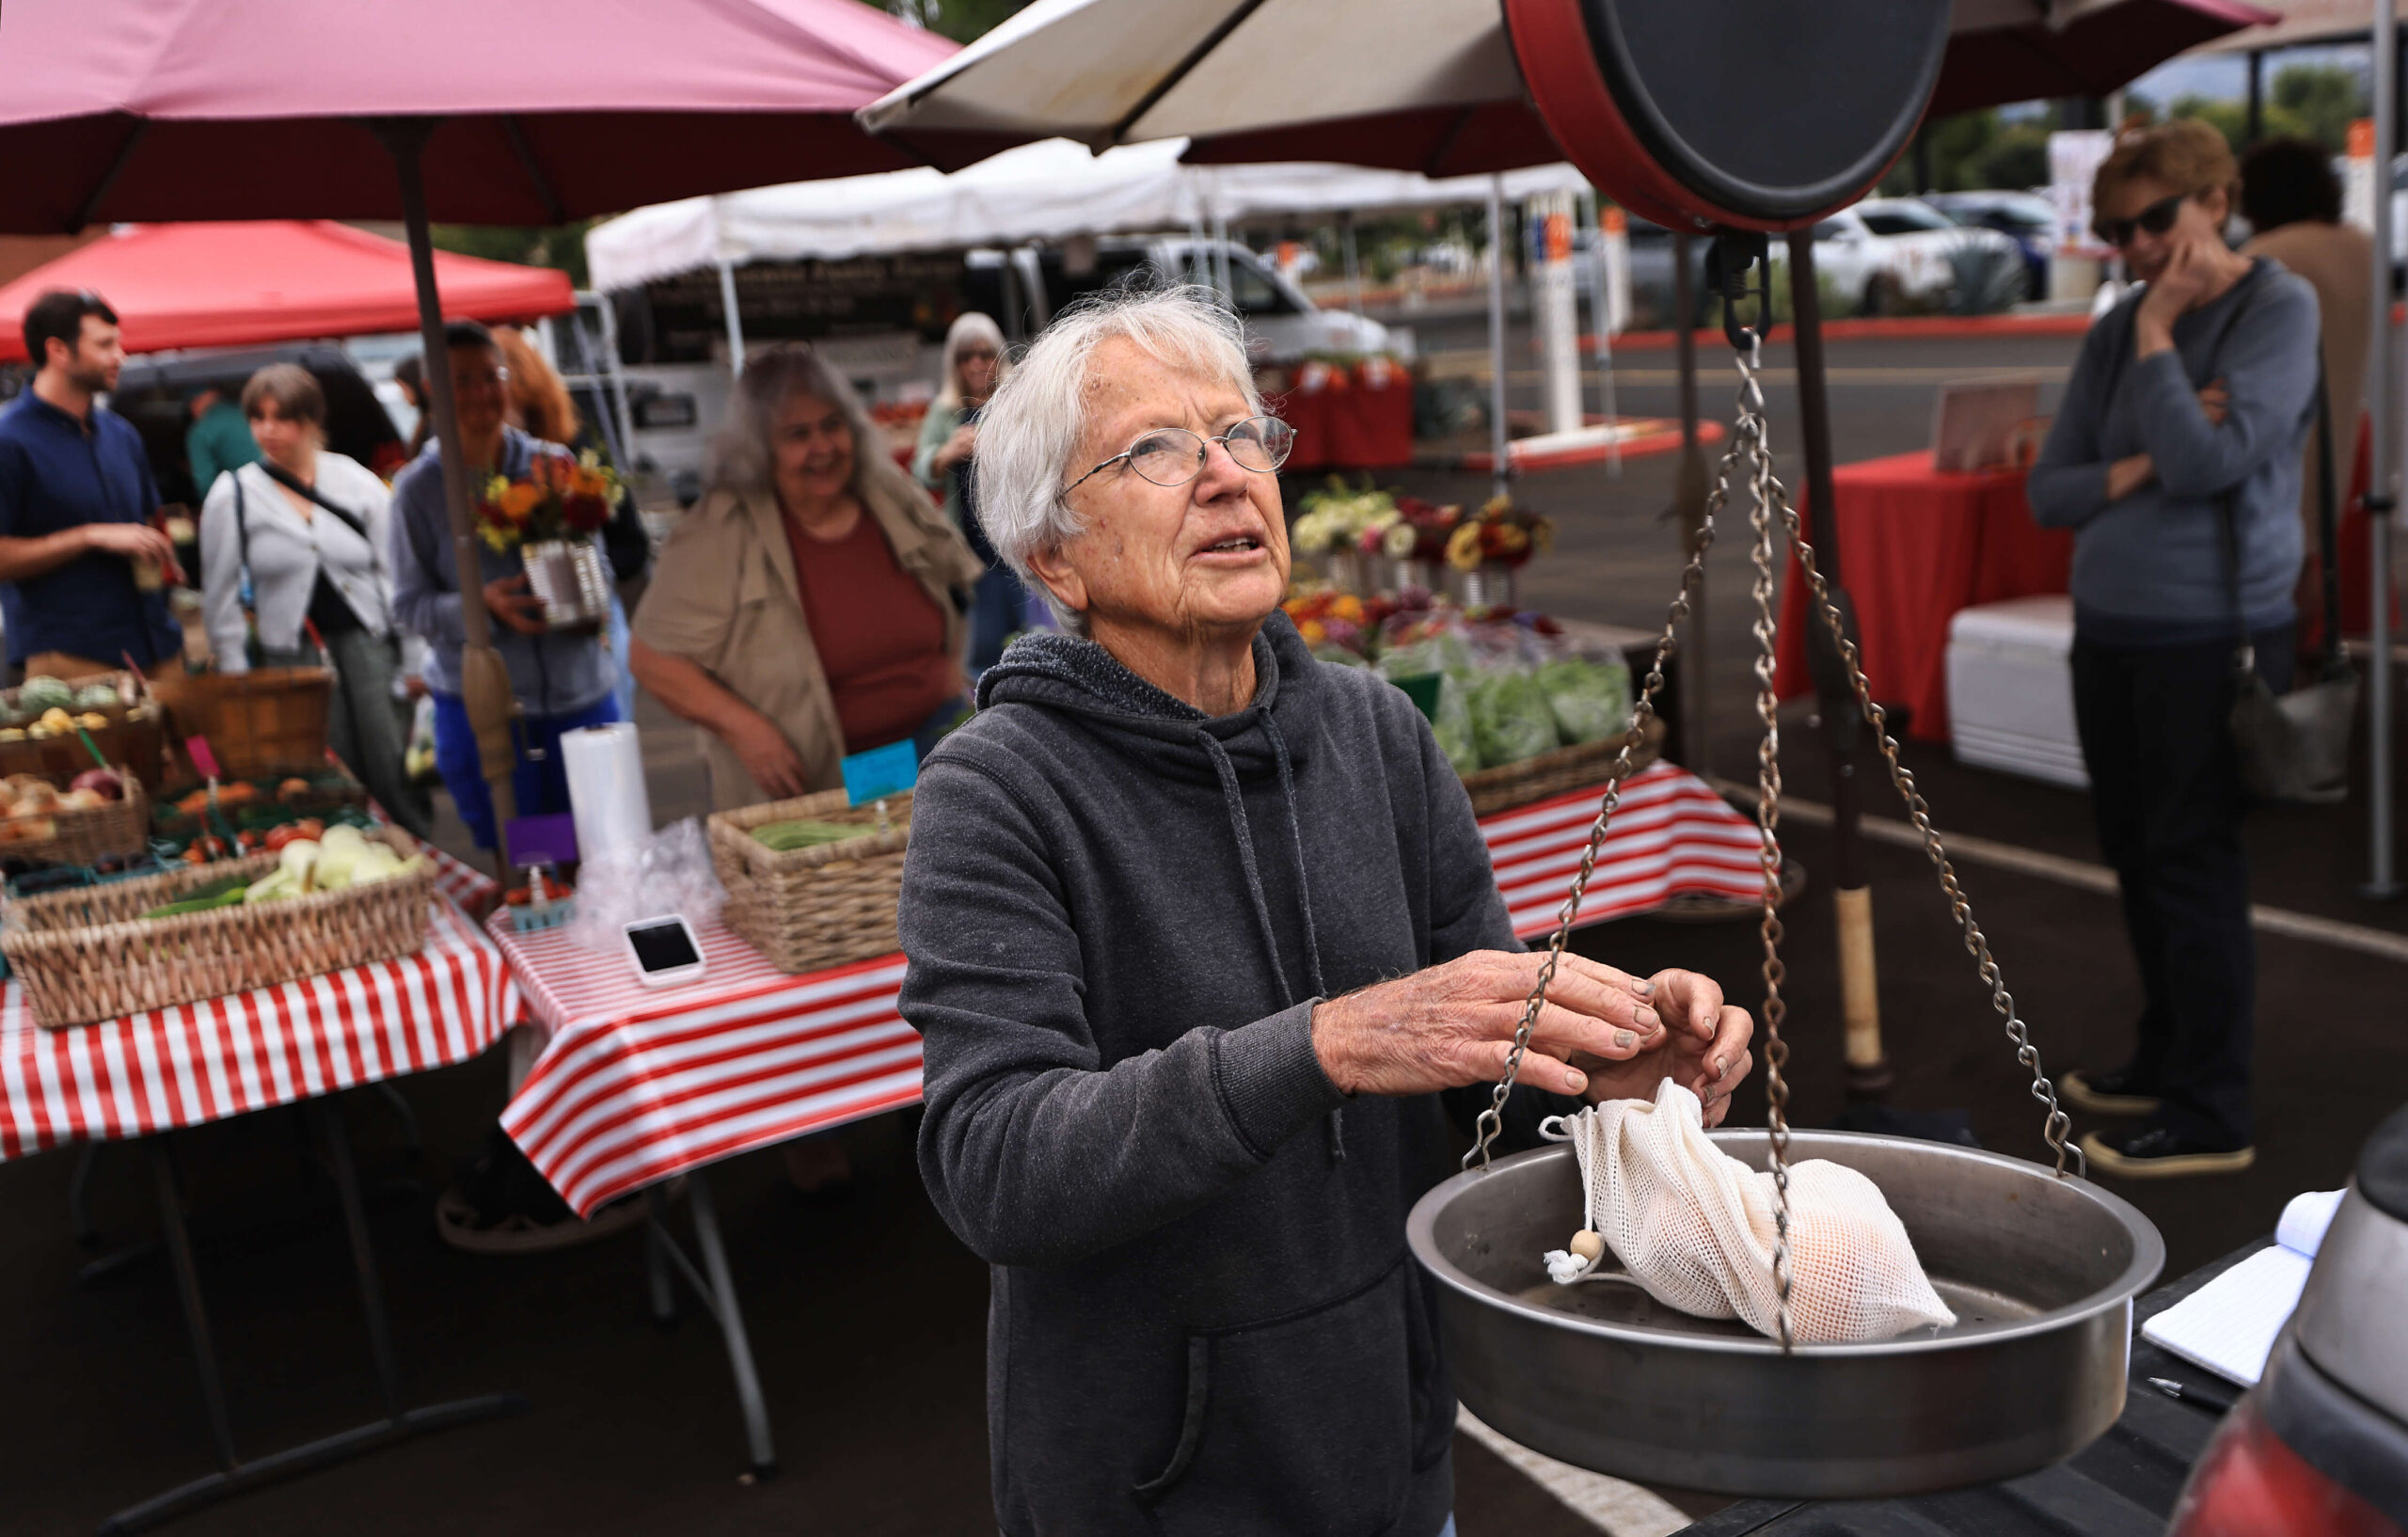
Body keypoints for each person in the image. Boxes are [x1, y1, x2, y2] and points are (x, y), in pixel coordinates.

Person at [895, 287, 1756, 1534]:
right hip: (1150, 1489)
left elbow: (1487, 1073)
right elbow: (997, 1163)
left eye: (1243, 435)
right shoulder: (996, 789)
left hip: (1391, 1452)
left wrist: (1613, 1071)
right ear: (1052, 555)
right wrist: (1325, 1044)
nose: (1227, 477)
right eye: (1153, 450)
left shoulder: (1377, 731)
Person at [2029, 120, 2320, 1179]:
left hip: (2210, 632)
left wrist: (2155, 333)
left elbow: (2207, 466)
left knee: (2192, 863)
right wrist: (2146, 451)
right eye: (2117, 230)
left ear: (2216, 198)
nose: (2139, 245)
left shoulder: (2272, 308)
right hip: (2111, 631)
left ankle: (2212, 1102)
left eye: (2156, 218)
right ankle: (2167, 1052)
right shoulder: (2110, 333)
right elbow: (2049, 488)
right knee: (2135, 854)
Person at [630, 342, 983, 809]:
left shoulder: (882, 489)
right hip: (816, 784)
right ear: (759, 447)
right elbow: (652, 658)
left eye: (832, 425)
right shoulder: (722, 528)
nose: (822, 447)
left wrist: (950, 665)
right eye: (798, 434)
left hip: (933, 748)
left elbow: (958, 576)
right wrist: (744, 729)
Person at [388, 320, 618, 852]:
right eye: (460, 381)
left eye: (491, 376)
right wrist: (481, 607)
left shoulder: (554, 465)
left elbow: (599, 567)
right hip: (489, 717)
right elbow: (408, 605)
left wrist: (585, 596)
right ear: (431, 392)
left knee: (601, 854)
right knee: (534, 861)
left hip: (581, 697)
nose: (480, 393)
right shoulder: (418, 491)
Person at [198, 365, 430, 838]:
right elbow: (219, 597)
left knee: (393, 765)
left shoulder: (354, 481)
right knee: (324, 773)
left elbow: (397, 572)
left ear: (310, 421)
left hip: (369, 644)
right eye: (258, 418)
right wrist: (236, 677)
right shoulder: (235, 493)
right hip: (293, 656)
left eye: (283, 418)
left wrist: (413, 660)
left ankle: (421, 862)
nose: (269, 431)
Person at [0, 290, 185, 680]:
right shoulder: (9, 440)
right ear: (58, 351)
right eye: (105, 345)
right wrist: (89, 536)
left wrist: (165, 553)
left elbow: (148, 522)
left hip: (158, 643)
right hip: (72, 657)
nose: (121, 356)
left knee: (190, 744)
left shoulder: (122, 434)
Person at [2240, 135, 2372, 649]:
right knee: (2306, 568)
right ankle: (2292, 695)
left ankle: (2267, 702)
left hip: (2273, 444)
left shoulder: (2268, 256)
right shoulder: (2358, 247)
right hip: (2335, 435)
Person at [913, 311, 1023, 671]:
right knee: (985, 646)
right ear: (954, 364)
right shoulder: (945, 412)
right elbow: (920, 471)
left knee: (1032, 634)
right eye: (966, 356)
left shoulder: (1017, 404)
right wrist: (947, 453)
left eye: (985, 353)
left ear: (999, 356)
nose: (977, 363)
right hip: (972, 551)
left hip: (1021, 543)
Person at [185, 384, 261, 497]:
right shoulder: (250, 412)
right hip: (283, 487)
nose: (192, 411)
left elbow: (206, 486)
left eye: (191, 403)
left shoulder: (200, 431)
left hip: (250, 497)